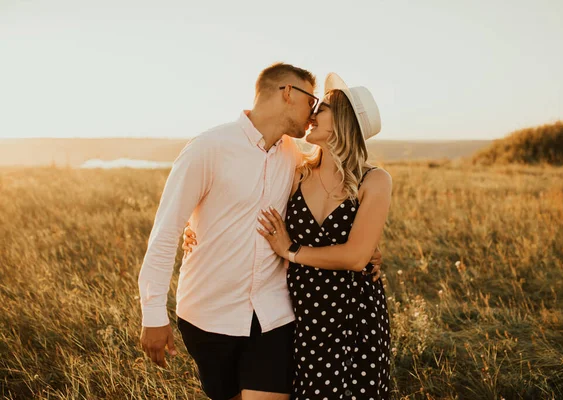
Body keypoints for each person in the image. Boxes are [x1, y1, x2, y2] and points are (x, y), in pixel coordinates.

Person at [137, 63, 383, 400]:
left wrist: (365, 251)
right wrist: (152, 313)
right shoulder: (208, 148)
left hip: (274, 315)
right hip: (209, 314)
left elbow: (343, 216)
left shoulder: (292, 157)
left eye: (320, 106)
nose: (312, 112)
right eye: (311, 100)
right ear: (287, 93)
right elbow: (166, 232)